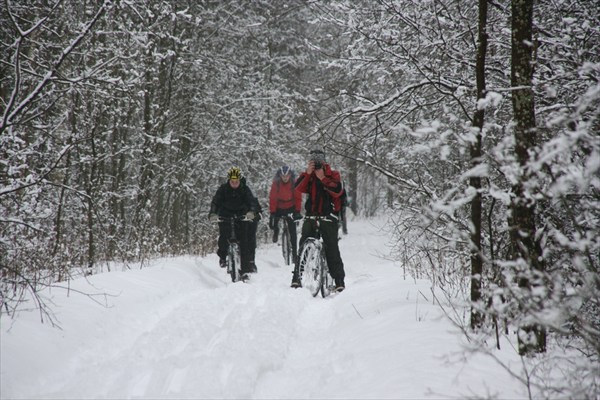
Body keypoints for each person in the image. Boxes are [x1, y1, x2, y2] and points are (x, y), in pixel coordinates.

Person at [293, 148, 347, 292]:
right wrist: (308, 173)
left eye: (318, 161)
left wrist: (323, 178)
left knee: (332, 249)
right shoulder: (308, 176)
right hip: (311, 215)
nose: (316, 163)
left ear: (323, 161)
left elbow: (337, 191)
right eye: (313, 161)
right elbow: (297, 187)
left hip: (328, 217)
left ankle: (339, 281)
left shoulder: (332, 174)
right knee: (303, 245)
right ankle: (296, 278)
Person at [208, 167, 259, 277]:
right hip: (225, 215)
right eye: (232, 182)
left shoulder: (245, 189)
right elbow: (215, 202)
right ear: (229, 181)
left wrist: (251, 212)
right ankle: (223, 257)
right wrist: (213, 213)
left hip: (241, 216)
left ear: (240, 181)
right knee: (224, 237)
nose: (234, 184)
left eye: (236, 182)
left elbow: (252, 202)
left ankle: (245, 270)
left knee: (244, 242)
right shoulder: (223, 189)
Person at [269, 165, 303, 263]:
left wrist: (297, 211)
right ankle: (276, 231)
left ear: (290, 175)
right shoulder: (276, 183)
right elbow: (273, 198)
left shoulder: (294, 183)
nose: (285, 178)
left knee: (292, 231)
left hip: (290, 207)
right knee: (273, 222)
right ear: (280, 175)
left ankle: (294, 255)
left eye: (286, 176)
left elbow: (298, 197)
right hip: (279, 207)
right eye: (283, 176)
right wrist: (272, 212)